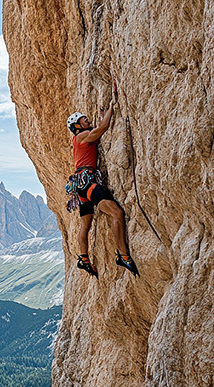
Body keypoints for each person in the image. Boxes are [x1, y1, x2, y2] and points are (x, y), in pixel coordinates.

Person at [65, 92, 139, 278]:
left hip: (80, 186)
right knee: (117, 213)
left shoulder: (79, 139)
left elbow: (97, 128)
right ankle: (123, 255)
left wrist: (100, 116)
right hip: (88, 182)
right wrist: (112, 107)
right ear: (77, 126)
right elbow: (103, 127)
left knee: (85, 225)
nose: (87, 120)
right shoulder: (82, 136)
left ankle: (83, 258)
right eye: (84, 120)